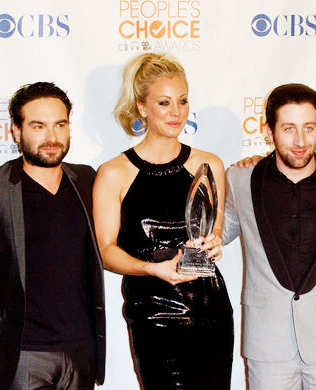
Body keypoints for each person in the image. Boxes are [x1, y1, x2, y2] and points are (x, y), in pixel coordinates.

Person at [92, 52, 233, 390]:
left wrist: (214, 243)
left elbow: (210, 231)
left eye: (183, 102)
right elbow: (107, 251)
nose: (176, 112)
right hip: (153, 312)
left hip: (210, 307)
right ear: (142, 107)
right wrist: (152, 268)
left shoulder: (209, 164)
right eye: (164, 103)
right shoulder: (113, 173)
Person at [222, 83, 316, 390]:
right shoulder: (242, 180)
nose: (300, 141)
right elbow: (215, 236)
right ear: (269, 132)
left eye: (309, 128)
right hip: (267, 344)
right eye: (288, 129)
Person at [0, 82, 106, 390]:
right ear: (16, 132)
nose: (52, 138)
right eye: (38, 126)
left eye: (60, 125)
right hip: (21, 355)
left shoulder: (87, 179)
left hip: (80, 351)